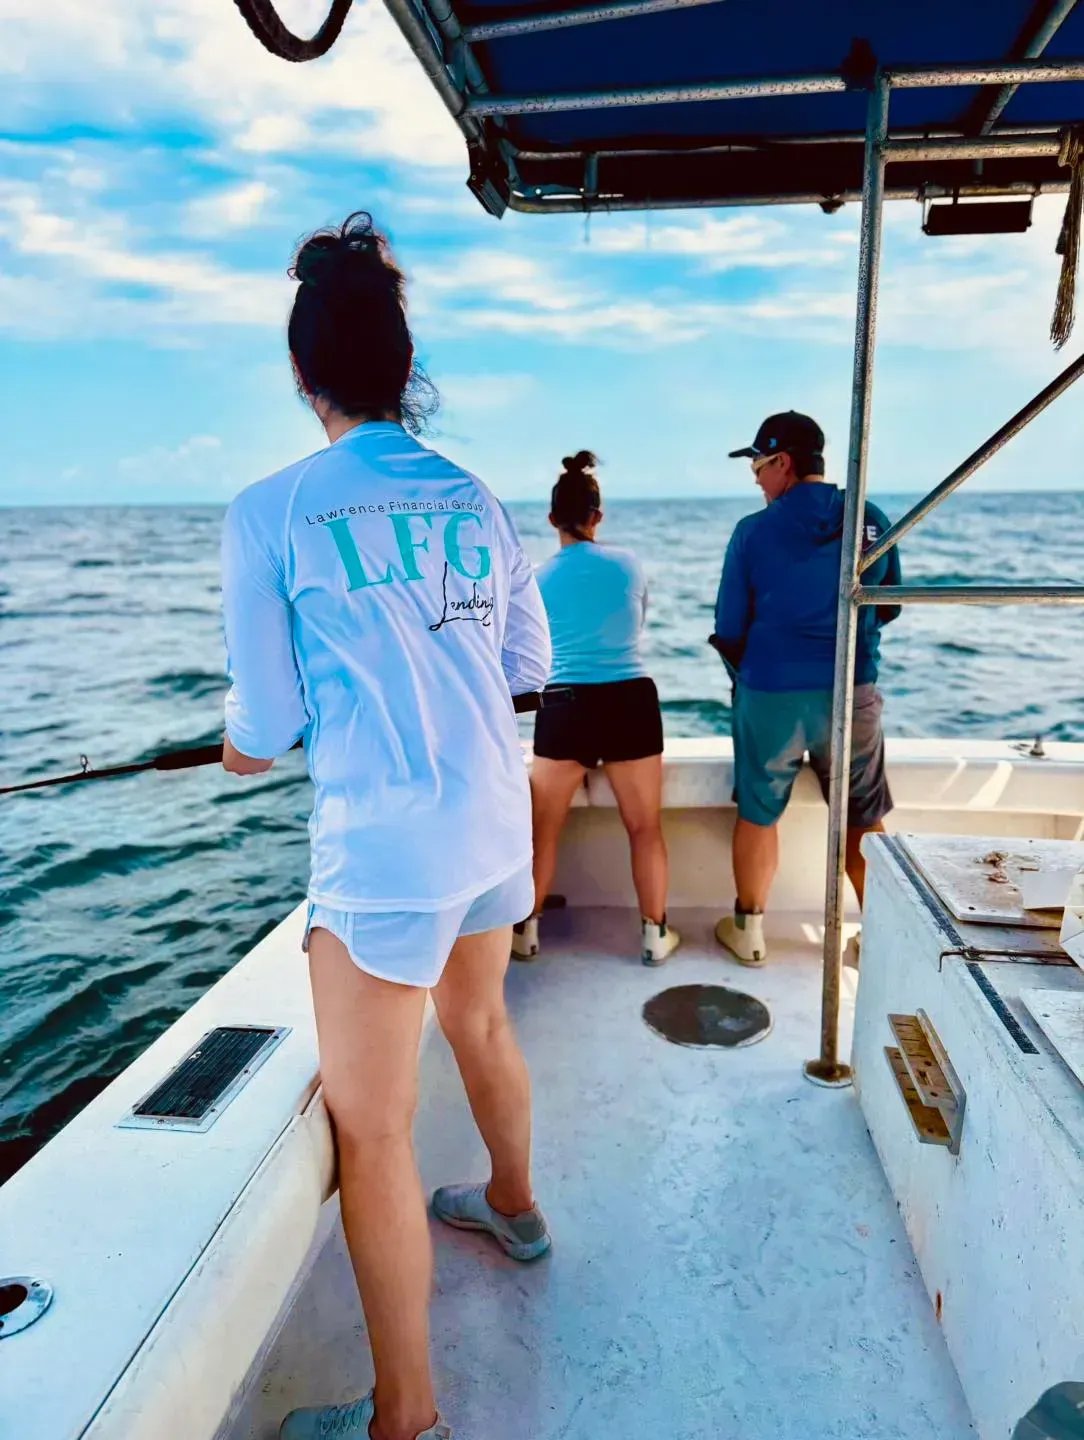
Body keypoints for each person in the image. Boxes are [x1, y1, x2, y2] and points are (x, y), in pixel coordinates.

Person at [220, 212, 553, 1440]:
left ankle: (404, 1419)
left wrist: (245, 743)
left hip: (383, 860)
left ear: (303, 373)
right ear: (402, 366)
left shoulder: (273, 511)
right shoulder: (475, 498)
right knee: (479, 1020)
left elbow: (263, 720)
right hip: (489, 827)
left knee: (375, 1132)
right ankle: (515, 1207)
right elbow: (528, 660)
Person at [711, 411, 901, 967]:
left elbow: (728, 627)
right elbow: (886, 604)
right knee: (864, 816)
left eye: (759, 464)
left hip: (771, 692)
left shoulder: (753, 531)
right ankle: (880, 939)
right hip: (852, 692)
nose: (755, 478)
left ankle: (749, 931)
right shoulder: (871, 516)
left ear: (785, 464)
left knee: (758, 811)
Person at [512, 451, 680, 967]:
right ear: (597, 516)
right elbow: (637, 623)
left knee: (543, 833)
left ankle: (526, 933)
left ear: (551, 518)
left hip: (564, 704)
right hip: (629, 699)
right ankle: (654, 934)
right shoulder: (628, 563)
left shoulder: (536, 578)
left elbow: (533, 651)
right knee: (645, 828)